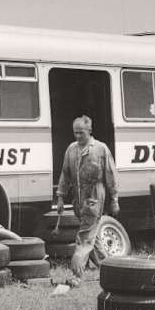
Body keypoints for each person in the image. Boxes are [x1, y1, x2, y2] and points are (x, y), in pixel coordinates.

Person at [56, 115, 119, 286]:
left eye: (81, 133)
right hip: (78, 198)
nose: (78, 136)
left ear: (89, 131)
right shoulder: (71, 149)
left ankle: (76, 275)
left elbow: (111, 175)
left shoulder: (101, 148)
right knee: (93, 236)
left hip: (94, 196)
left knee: (84, 237)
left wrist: (114, 198)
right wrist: (60, 197)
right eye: (75, 133)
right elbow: (65, 174)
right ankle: (110, 270)